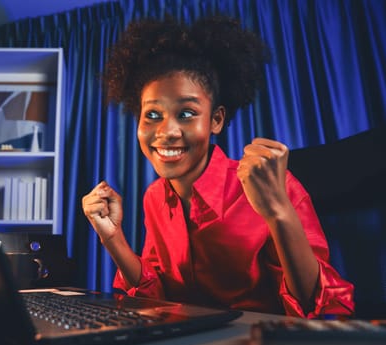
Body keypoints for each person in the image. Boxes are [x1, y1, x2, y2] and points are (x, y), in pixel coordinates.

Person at [82, 15, 354, 318]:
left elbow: (322, 308)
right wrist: (112, 237)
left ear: (216, 120)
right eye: (153, 115)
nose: (166, 132)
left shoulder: (275, 185)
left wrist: (278, 211)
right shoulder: (155, 197)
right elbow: (157, 297)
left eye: (186, 113)